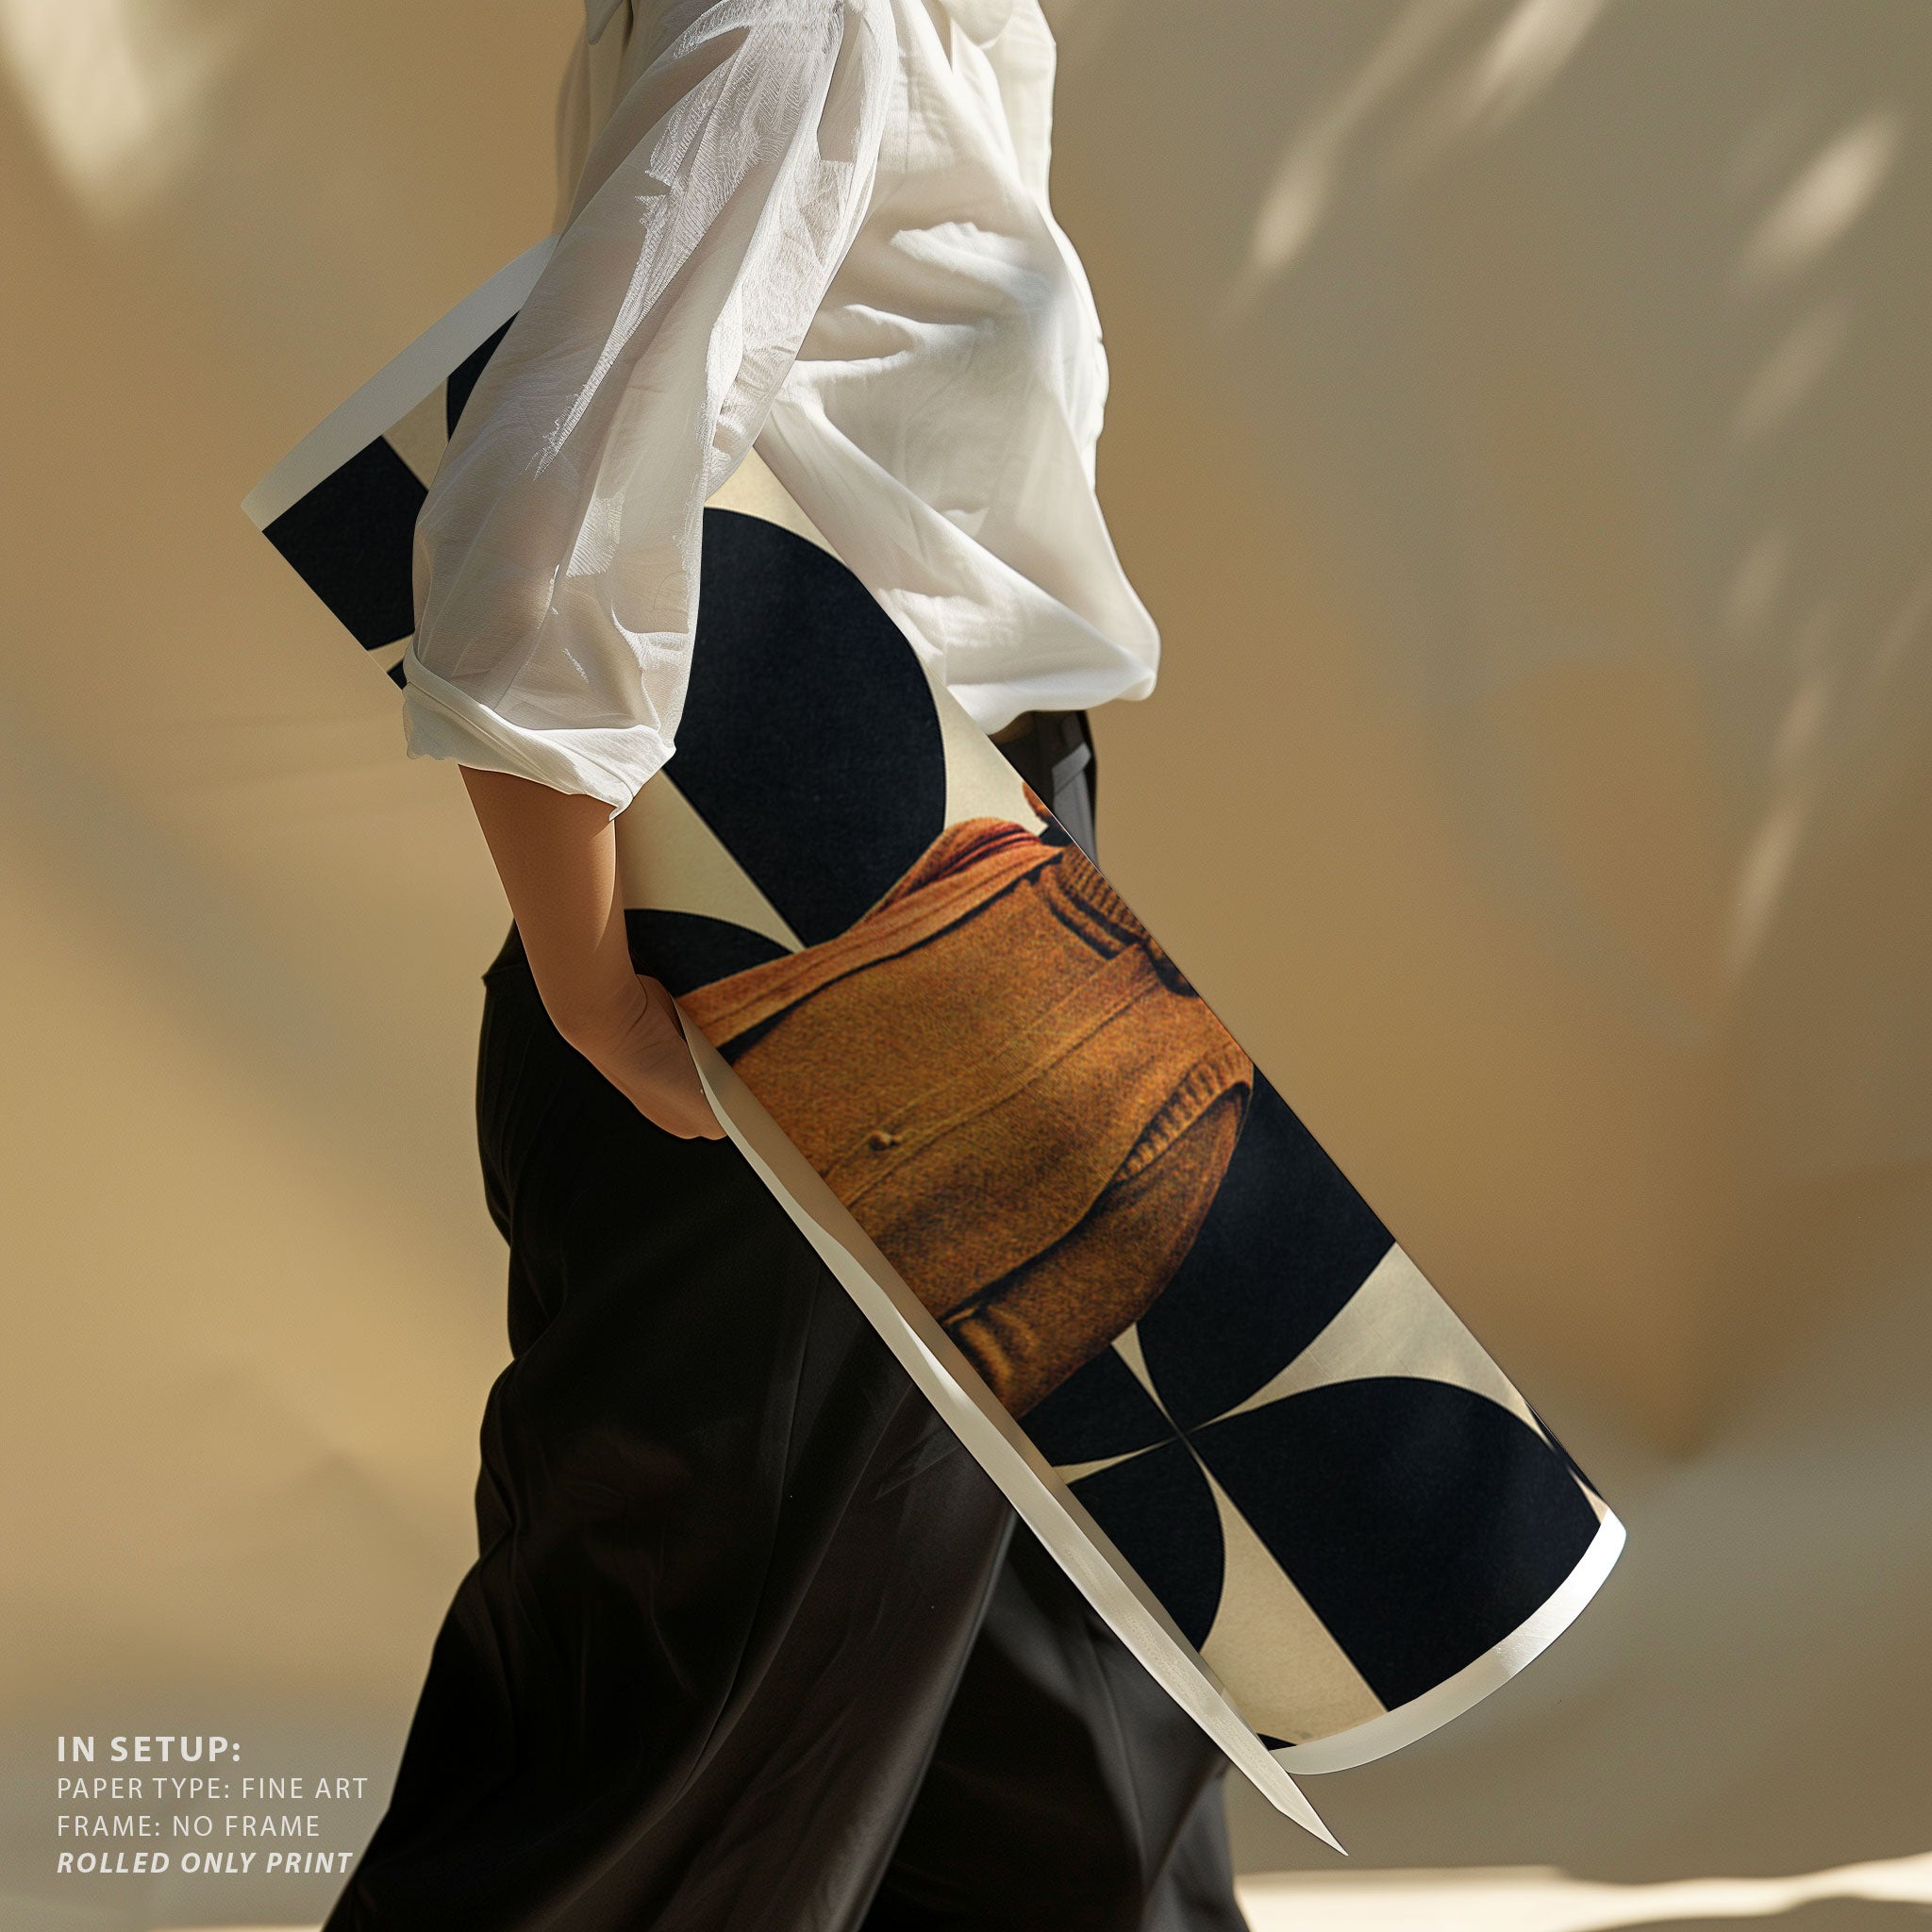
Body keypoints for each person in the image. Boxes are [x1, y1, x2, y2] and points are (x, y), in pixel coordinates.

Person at [322, 2, 1244, 1926]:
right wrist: (596, 994)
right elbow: (541, 505)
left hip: (975, 874)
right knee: (653, 1756)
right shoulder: (806, 14)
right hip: (808, 925)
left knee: (1077, 1720)